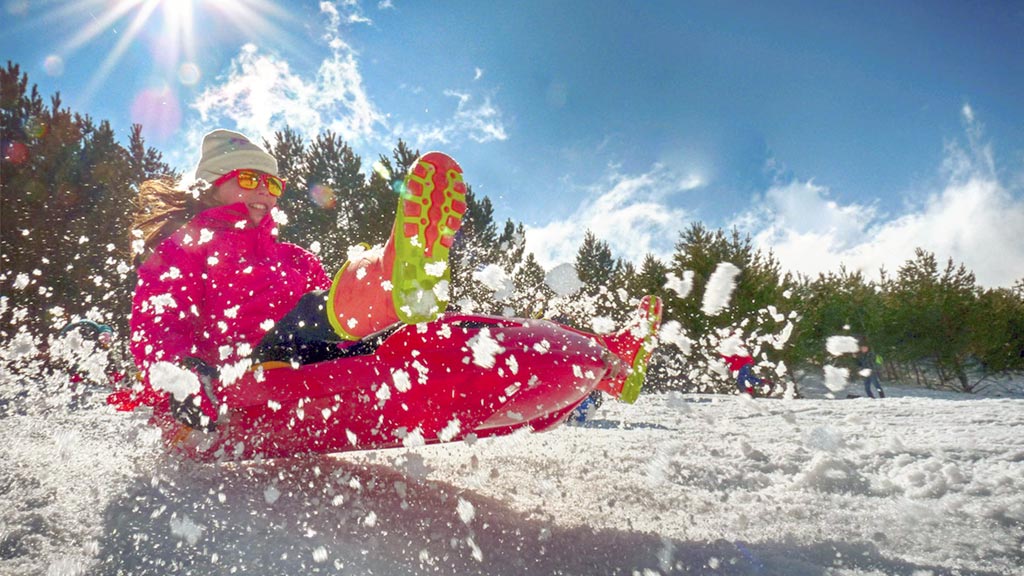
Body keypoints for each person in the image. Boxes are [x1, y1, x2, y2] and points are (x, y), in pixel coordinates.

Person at [110, 129, 466, 430]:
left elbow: (338, 324)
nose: (264, 190)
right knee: (308, 316)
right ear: (211, 187)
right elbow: (159, 320)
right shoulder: (184, 247)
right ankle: (387, 278)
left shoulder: (295, 258)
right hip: (234, 382)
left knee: (386, 333)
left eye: (272, 183)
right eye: (249, 179)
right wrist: (181, 375)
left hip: (310, 366)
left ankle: (453, 339)